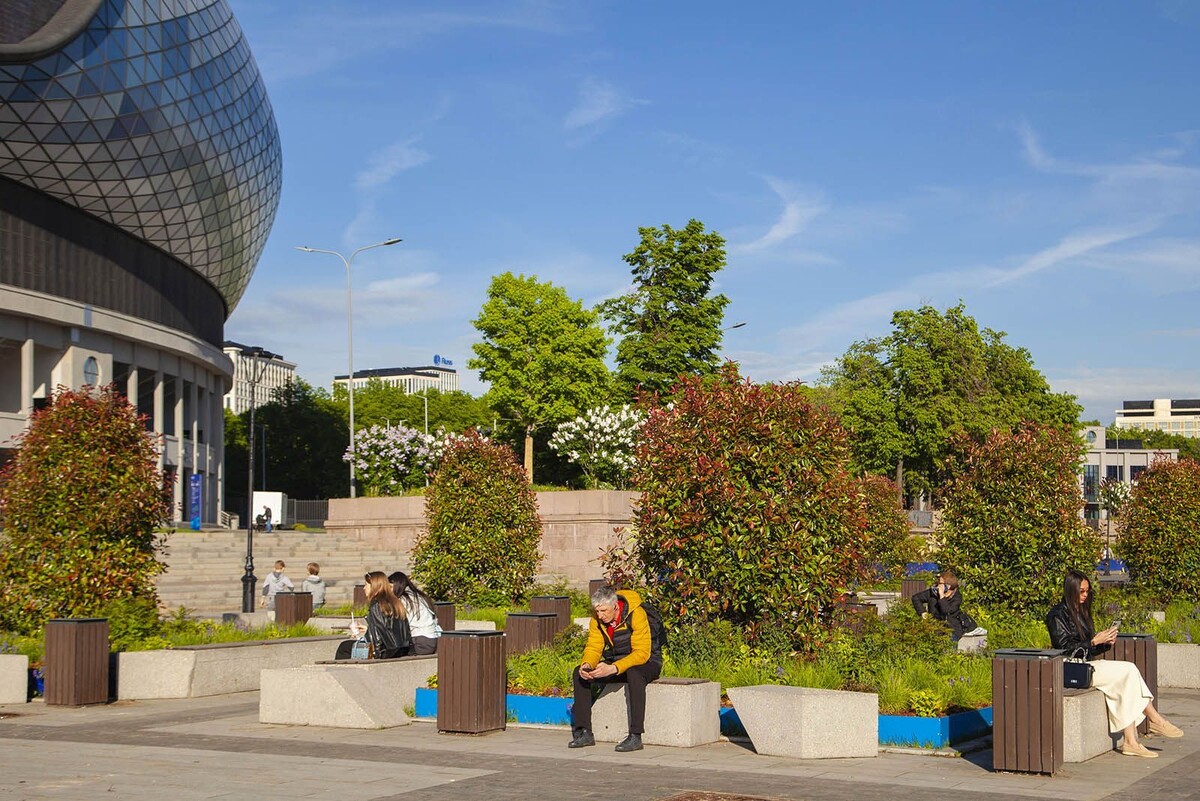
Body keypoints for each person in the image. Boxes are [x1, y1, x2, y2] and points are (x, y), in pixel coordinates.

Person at [1046, 569, 1184, 758]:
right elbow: (1064, 648)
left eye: (1088, 591)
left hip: (1086, 664)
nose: (1086, 595)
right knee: (1128, 670)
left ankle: (1131, 741)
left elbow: (1087, 649)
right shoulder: (1057, 615)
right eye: (1082, 591)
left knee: (1126, 679)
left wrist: (1103, 642)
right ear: (1070, 590)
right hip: (1072, 669)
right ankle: (1153, 720)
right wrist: (1094, 641)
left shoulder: (1081, 611)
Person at [568, 585, 663, 753]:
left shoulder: (636, 613)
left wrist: (613, 668)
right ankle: (584, 732)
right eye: (597, 611)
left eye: (604, 611)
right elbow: (594, 647)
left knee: (635, 673)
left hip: (647, 662)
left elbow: (642, 653)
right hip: (616, 663)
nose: (600, 615)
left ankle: (635, 736)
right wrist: (587, 665)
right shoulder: (597, 619)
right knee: (579, 673)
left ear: (615, 606)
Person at [335, 571, 412, 660]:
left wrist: (375, 656)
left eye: (366, 585)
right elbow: (386, 629)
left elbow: (378, 638)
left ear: (374, 587)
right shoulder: (395, 602)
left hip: (386, 651)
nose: (364, 588)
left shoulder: (376, 604)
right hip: (401, 649)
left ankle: (342, 672)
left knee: (344, 647)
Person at [909, 570, 985, 640]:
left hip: (952, 629)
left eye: (940, 584)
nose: (937, 585)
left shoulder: (957, 597)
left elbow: (947, 610)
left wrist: (941, 596)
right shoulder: (933, 593)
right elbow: (916, 598)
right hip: (934, 627)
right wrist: (922, 612)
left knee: (949, 646)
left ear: (948, 586)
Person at [388, 571, 441, 655]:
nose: (388, 591)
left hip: (420, 641)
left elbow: (401, 625)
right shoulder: (417, 595)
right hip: (430, 639)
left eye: (390, 587)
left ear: (398, 586)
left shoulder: (405, 600)